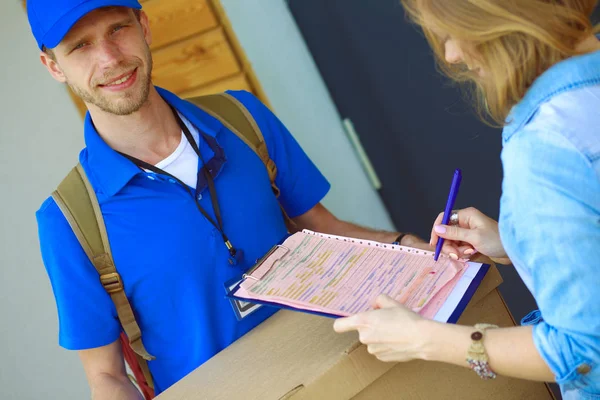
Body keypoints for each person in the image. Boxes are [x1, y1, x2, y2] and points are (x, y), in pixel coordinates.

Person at [27, 1, 428, 398]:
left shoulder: (243, 116)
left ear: (144, 27)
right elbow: (106, 377)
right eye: (80, 45)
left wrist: (418, 252)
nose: (110, 58)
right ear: (54, 67)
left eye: (118, 29)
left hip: (345, 374)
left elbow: (326, 229)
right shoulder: (68, 221)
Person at [334, 1, 600, 399]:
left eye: (451, 29)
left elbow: (585, 356)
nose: (451, 53)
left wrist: (425, 338)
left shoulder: (544, 147)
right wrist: (516, 241)